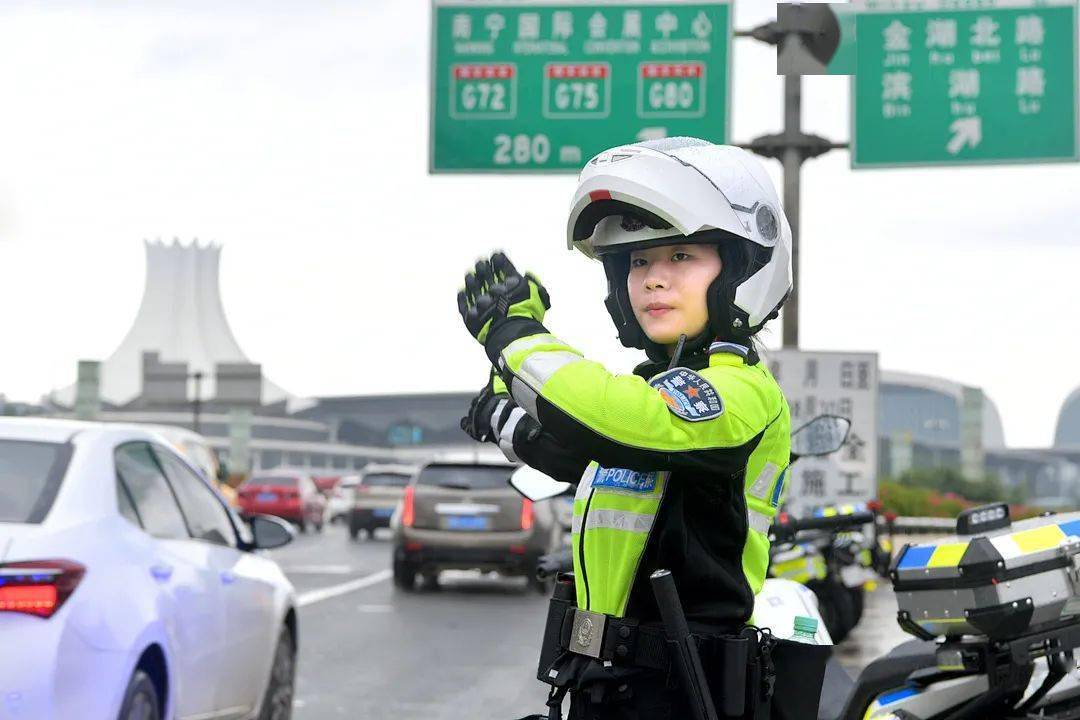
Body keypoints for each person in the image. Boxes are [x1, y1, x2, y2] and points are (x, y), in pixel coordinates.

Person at [458, 138, 816, 720]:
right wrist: (501, 407)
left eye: (681, 257)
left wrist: (515, 338)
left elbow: (631, 423)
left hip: (682, 695)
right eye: (637, 262)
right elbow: (570, 447)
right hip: (605, 687)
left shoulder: (742, 389)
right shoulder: (650, 391)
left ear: (743, 269)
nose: (654, 279)